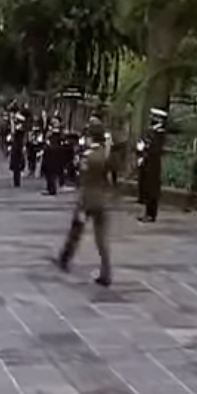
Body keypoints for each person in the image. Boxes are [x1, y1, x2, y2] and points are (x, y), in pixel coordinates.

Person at [56, 119, 116, 287]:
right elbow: (112, 173)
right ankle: (106, 272)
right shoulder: (105, 154)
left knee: (76, 229)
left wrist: (82, 205)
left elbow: (83, 180)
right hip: (103, 200)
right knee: (101, 238)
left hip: (88, 200)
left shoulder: (88, 157)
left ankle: (65, 258)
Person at [135, 108, 169, 222]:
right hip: (147, 161)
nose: (152, 119)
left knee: (152, 187)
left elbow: (155, 148)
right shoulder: (151, 131)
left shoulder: (160, 133)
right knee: (147, 186)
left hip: (154, 162)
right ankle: (147, 211)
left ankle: (151, 214)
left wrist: (145, 148)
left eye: (154, 117)